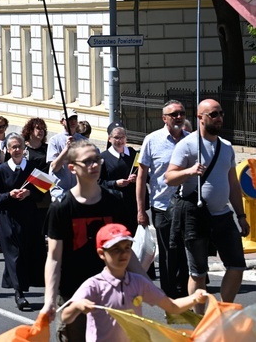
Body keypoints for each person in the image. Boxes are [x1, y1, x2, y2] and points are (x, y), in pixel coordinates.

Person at [41, 139, 146, 341]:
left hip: (113, 294)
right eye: (87, 161)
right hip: (73, 294)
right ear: (72, 168)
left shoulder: (115, 201)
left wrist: (146, 285)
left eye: (97, 160)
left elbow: (126, 251)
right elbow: (54, 258)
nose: (95, 165)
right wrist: (49, 301)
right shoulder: (61, 208)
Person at [165, 99, 250, 311]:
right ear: (200, 118)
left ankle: (223, 310)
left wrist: (240, 215)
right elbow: (169, 177)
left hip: (222, 216)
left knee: (237, 265)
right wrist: (189, 171)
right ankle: (199, 321)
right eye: (213, 114)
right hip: (195, 215)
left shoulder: (227, 147)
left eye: (220, 113)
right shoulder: (187, 145)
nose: (219, 117)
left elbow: (232, 183)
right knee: (198, 272)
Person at [62, 223, 207, 342]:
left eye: (127, 248)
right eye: (116, 249)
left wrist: (194, 298)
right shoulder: (94, 285)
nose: (123, 254)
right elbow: (65, 316)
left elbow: (172, 306)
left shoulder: (138, 282)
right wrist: (78, 306)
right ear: (101, 253)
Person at [136, 100, 190, 298]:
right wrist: (141, 210)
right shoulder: (152, 140)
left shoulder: (191, 140)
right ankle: (169, 295)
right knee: (168, 252)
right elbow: (142, 177)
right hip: (162, 205)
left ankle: (186, 291)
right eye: (174, 114)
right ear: (164, 118)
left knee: (187, 250)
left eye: (181, 113)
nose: (178, 117)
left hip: (187, 204)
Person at [0, 133, 45, 311]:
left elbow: (43, 192)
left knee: (25, 254)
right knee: (14, 255)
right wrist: (9, 195)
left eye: (19, 147)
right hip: (8, 219)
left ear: (24, 149)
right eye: (13, 147)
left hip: (29, 219)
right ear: (7, 149)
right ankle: (19, 293)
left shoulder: (32, 168)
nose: (16, 150)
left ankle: (18, 283)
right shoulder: (1, 170)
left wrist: (29, 193)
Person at [99, 126, 138, 234]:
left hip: (132, 203)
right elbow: (98, 182)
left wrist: (136, 178)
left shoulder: (132, 153)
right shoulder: (103, 157)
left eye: (122, 137)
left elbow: (141, 173)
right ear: (109, 139)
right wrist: (115, 183)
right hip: (113, 203)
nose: (120, 140)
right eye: (116, 137)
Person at [47, 108, 86, 200]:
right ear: (62, 122)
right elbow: (54, 167)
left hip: (79, 192)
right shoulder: (54, 140)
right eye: (69, 119)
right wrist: (66, 149)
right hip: (60, 192)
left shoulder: (83, 141)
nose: (72, 121)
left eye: (74, 119)